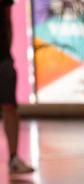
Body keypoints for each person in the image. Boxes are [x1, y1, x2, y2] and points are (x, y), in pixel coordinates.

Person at [2, 0, 32, 174]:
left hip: (3, 58)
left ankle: (14, 157)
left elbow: (8, 20)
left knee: (10, 107)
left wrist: (6, 51)